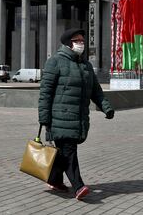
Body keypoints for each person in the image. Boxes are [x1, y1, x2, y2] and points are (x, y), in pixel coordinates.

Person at [38, 28, 115, 200]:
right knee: (69, 150)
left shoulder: (86, 66)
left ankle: (55, 180)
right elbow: (45, 93)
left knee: (63, 153)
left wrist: (106, 107)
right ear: (68, 43)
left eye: (82, 40)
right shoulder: (55, 62)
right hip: (60, 117)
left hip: (78, 118)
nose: (81, 43)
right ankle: (78, 186)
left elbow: (96, 91)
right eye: (77, 40)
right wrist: (44, 118)